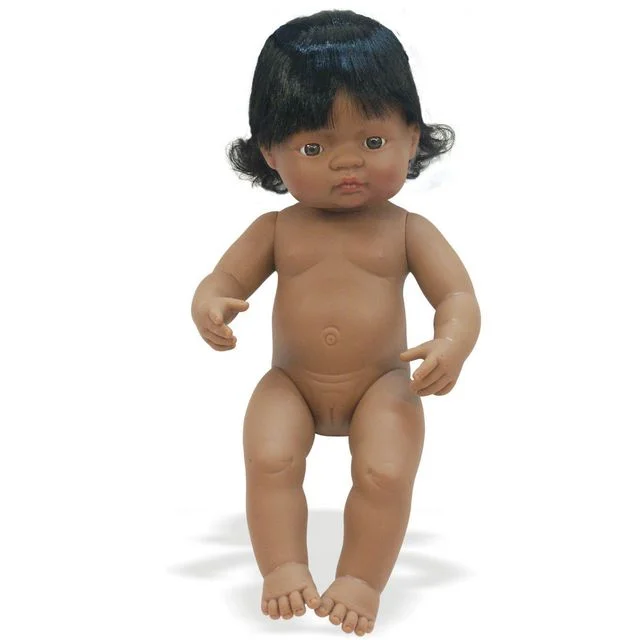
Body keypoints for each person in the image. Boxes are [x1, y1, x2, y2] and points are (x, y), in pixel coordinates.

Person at [191, 9, 480, 636]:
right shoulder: (276, 230)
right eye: (314, 148)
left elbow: (457, 295)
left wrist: (451, 344)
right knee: (269, 459)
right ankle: (282, 566)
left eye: (373, 143)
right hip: (291, 382)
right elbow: (223, 279)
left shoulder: (407, 231)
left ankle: (361, 579)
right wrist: (211, 304)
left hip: (384, 383)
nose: (347, 164)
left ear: (412, 136)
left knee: (385, 473)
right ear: (269, 151)